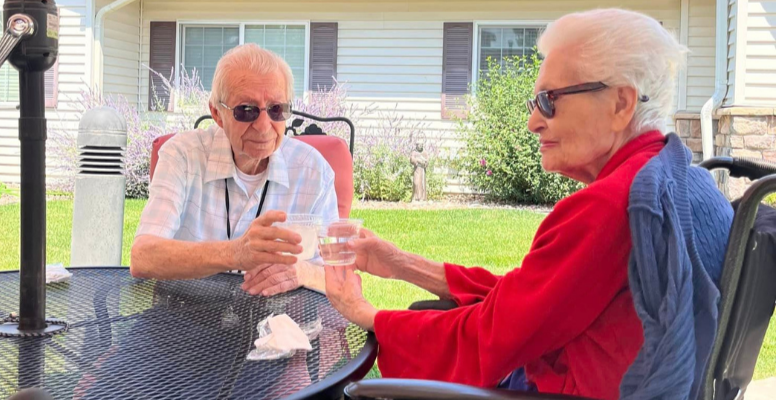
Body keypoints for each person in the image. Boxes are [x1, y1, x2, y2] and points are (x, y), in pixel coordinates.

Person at [324, 9, 731, 400]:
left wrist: (367, 315)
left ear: (621, 104)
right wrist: (400, 264)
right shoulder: (674, 180)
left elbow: (490, 338)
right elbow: (530, 301)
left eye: (550, 101)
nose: (533, 122)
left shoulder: (610, 206)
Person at [130, 44, 337, 296]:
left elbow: (340, 276)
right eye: (246, 110)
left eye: (276, 109)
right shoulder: (182, 156)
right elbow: (143, 257)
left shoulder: (313, 171)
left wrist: (303, 272)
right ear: (217, 113)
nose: (264, 127)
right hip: (183, 310)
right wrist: (236, 253)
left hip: (276, 314)